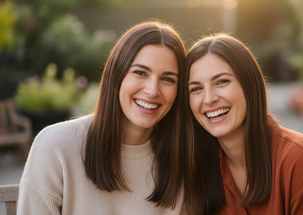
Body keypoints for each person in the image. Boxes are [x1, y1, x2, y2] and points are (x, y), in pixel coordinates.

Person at [18, 21, 188, 214]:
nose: (152, 90)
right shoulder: (55, 147)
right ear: (116, 75)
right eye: (140, 72)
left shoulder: (182, 159)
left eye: (168, 79)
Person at [184, 34, 303, 215]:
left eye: (222, 82)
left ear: (250, 85)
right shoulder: (197, 167)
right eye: (196, 89)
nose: (209, 99)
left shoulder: (301, 162)